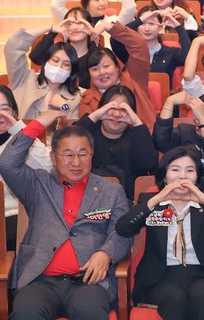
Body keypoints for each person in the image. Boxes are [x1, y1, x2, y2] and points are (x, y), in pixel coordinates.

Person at [0, 111, 132, 320]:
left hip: (88, 283)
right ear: (53, 158)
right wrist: (37, 124)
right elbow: (7, 163)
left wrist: (106, 254)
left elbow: (122, 233)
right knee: (26, 313)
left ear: (92, 155)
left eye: (83, 154)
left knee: (91, 311)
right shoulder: (37, 184)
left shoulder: (111, 190)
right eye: (68, 155)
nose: (76, 162)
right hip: (40, 281)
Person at [116, 146, 204, 320]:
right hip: (159, 277)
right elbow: (123, 228)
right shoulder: (150, 202)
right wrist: (157, 199)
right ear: (164, 175)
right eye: (175, 170)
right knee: (174, 298)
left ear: (197, 177)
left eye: (190, 170)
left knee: (201, 296)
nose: (182, 176)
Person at [74, 85, 157, 199]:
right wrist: (96, 115)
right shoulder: (87, 132)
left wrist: (137, 123)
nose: (117, 115)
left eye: (124, 110)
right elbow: (69, 142)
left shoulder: (137, 137)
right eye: (111, 108)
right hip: (85, 198)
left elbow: (149, 165)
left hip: (126, 201)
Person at [79, 20, 157, 130]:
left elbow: (139, 46)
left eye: (106, 66)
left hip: (145, 135)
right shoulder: (88, 99)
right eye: (95, 69)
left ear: (117, 67)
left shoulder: (134, 79)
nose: (102, 72)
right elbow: (85, 131)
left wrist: (108, 26)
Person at [0, 86, 51, 251]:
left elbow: (49, 167)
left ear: (14, 112)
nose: (0, 114)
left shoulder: (23, 143)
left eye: (4, 109)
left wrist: (19, 131)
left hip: (16, 216)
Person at [4, 25, 81, 120]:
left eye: (66, 64)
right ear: (45, 62)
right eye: (55, 60)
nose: (59, 67)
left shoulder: (75, 97)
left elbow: (73, 127)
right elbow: (13, 47)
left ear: (71, 71)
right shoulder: (25, 79)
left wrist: (64, 106)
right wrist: (49, 28)